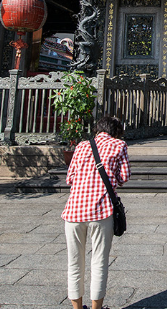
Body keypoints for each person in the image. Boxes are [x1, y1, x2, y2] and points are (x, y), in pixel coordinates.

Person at [61, 115, 130, 309]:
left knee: (74, 262)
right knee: (99, 260)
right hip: (101, 210)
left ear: (97, 129)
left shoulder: (82, 146)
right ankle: (96, 308)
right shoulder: (119, 145)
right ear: (115, 131)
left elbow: (70, 178)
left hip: (73, 211)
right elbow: (124, 176)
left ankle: (76, 308)